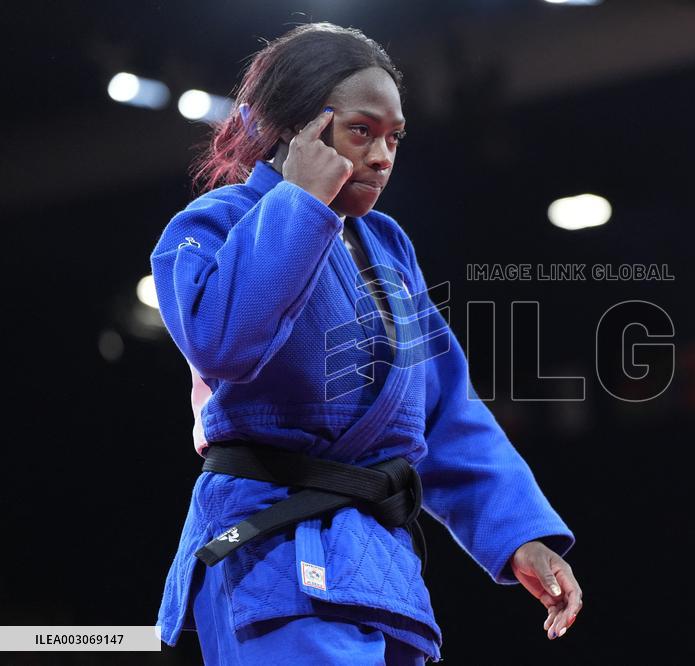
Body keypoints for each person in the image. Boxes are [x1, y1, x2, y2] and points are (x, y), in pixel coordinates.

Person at [150, 22, 582, 664]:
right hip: (271, 548)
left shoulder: (387, 246)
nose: (382, 155)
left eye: (394, 136)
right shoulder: (210, 226)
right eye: (361, 130)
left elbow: (443, 411)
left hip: (380, 562)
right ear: (295, 131)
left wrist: (518, 534)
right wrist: (299, 199)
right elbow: (225, 346)